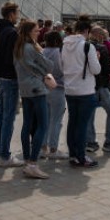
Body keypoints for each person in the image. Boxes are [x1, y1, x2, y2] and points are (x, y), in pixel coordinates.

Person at [13, 20, 56, 178]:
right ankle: (32, 163)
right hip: (37, 89)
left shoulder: (18, 47)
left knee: (27, 125)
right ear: (29, 32)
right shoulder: (31, 48)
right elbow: (49, 66)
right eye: (36, 31)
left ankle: (26, 159)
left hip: (24, 90)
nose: (39, 33)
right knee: (43, 126)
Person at [62, 14, 101, 167]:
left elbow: (61, 65)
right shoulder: (87, 46)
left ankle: (73, 154)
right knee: (82, 125)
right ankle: (81, 156)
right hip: (85, 90)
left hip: (70, 89)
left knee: (72, 123)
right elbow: (96, 70)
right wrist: (96, 58)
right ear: (86, 31)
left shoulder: (65, 44)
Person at [0, 2, 25, 168]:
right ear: (11, 14)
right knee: (8, 118)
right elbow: (13, 59)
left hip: (0, 77)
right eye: (17, 13)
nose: (18, 15)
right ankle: (5, 155)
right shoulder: (12, 32)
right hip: (10, 78)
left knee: (0, 116)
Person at [86, 26, 110, 154]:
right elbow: (106, 69)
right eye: (103, 34)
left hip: (87, 86)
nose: (104, 37)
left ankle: (90, 142)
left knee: (90, 115)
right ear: (99, 35)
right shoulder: (101, 48)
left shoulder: (84, 46)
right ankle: (109, 141)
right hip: (101, 86)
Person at [41, 30, 67, 159]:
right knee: (57, 120)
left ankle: (42, 147)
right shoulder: (59, 53)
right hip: (58, 88)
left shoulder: (42, 52)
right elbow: (64, 70)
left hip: (44, 88)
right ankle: (53, 149)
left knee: (45, 120)